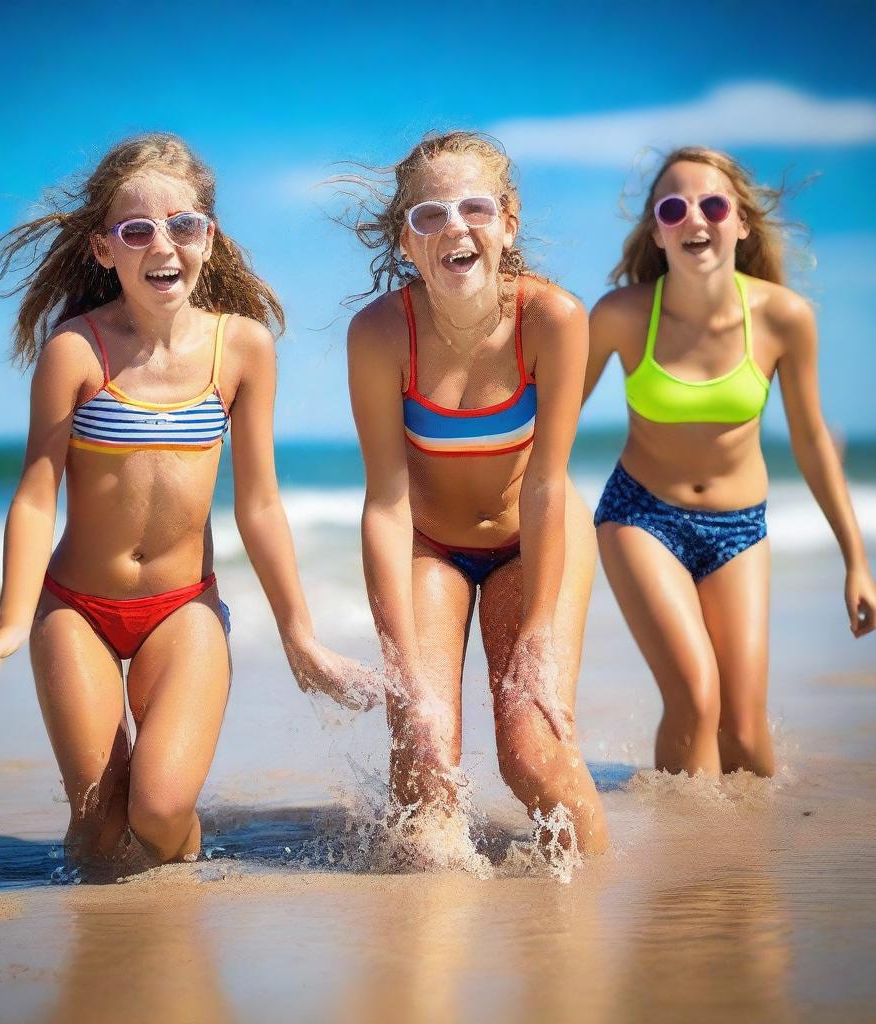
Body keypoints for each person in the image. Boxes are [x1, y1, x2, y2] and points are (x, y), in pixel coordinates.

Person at [0, 133, 376, 880]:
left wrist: (300, 636)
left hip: (183, 609)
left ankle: (179, 894)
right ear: (103, 250)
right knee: (96, 827)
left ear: (208, 240)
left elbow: (260, 506)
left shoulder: (242, 349)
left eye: (184, 225)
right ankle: (111, 963)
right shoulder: (76, 352)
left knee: (155, 811)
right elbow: (33, 495)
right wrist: (11, 622)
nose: (164, 244)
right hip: (76, 608)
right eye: (137, 229)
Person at [344, 131, 608, 858]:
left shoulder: (552, 319)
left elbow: (550, 483)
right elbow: (386, 506)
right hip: (433, 549)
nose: (454, 227)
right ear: (407, 240)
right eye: (429, 215)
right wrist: (404, 674)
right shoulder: (378, 334)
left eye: (475, 208)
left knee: (535, 756)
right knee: (424, 757)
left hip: (535, 541)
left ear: (509, 222)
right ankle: (430, 934)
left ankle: (597, 897)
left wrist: (540, 633)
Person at [585, 146, 876, 778]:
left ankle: (741, 871)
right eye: (674, 207)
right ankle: (682, 853)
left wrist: (856, 562)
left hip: (740, 529)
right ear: (658, 232)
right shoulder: (620, 317)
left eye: (713, 204)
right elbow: (550, 423)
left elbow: (810, 443)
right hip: (640, 515)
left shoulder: (784, 318)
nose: (695, 217)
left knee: (744, 736)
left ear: (741, 222)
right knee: (695, 697)